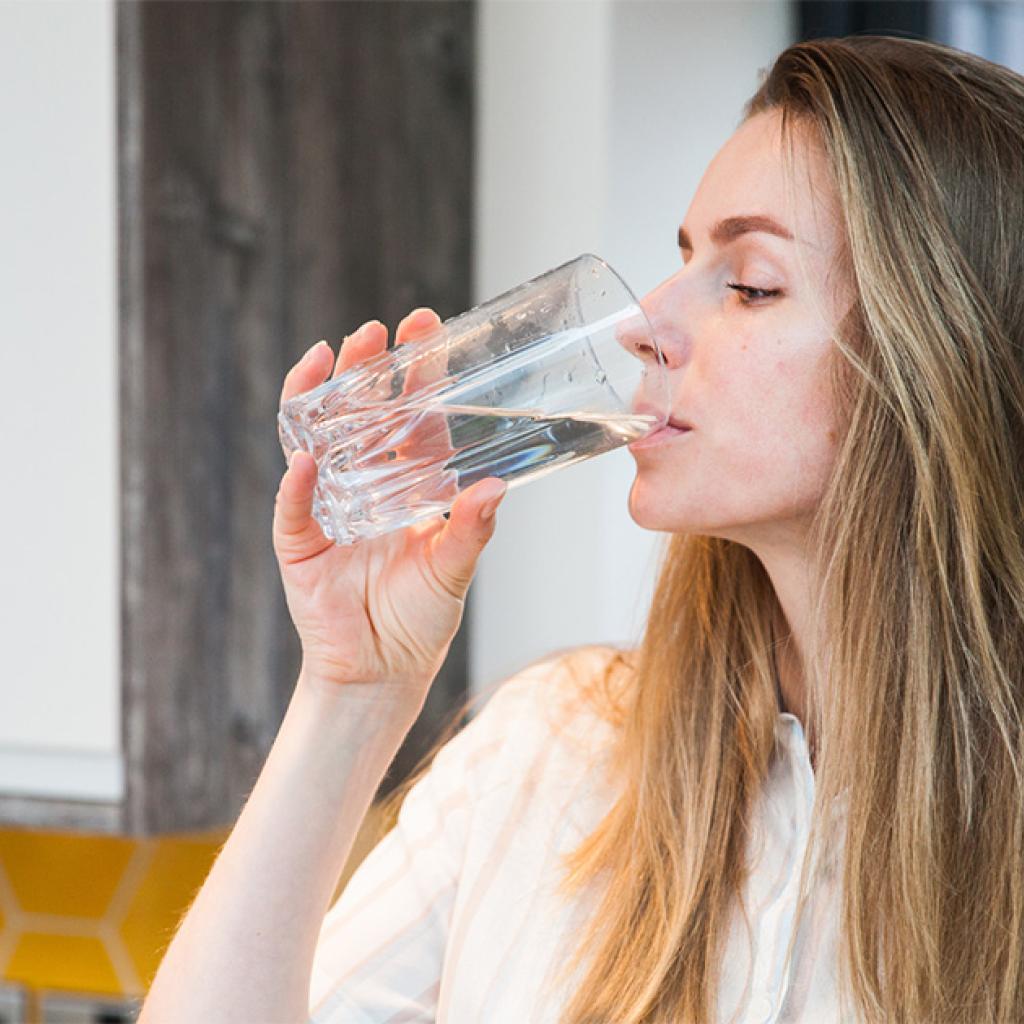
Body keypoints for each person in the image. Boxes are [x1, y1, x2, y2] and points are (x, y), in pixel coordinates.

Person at [139, 33, 1024, 1024]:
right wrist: (352, 691)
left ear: (942, 359)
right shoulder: (543, 755)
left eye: (748, 283)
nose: (648, 317)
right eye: (685, 258)